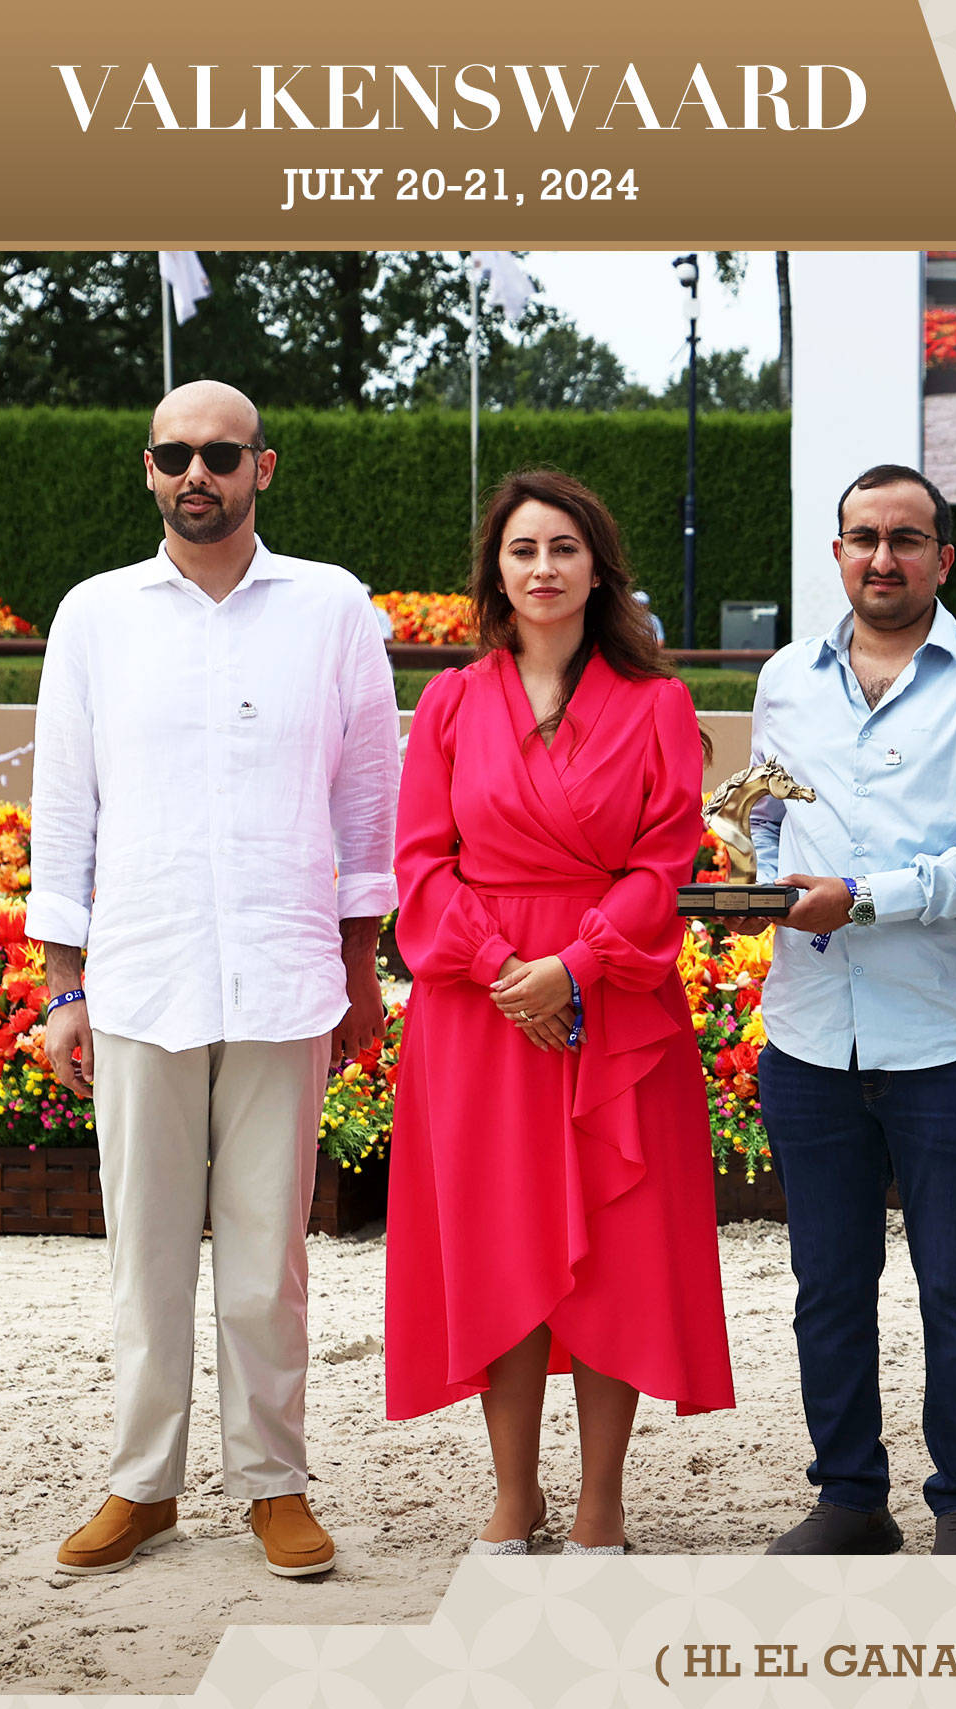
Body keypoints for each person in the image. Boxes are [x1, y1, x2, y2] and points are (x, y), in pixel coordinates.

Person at [32, 380, 398, 1581]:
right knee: (142, 1250)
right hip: (141, 972)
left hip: (285, 970)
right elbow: (65, 806)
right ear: (148, 467)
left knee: (267, 1251)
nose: (200, 472)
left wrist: (360, 962)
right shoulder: (96, 614)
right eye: (177, 453)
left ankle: (272, 1480)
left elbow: (368, 801)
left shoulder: (332, 607)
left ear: (262, 468)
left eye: (223, 454)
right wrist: (64, 986)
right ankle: (143, 1484)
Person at [386, 468, 734, 1554]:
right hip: (480, 1008)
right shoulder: (450, 703)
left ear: (598, 569)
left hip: (614, 1001)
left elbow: (664, 861)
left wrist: (574, 969)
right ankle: (513, 1491)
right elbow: (419, 863)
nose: (543, 568)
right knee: (502, 1241)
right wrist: (506, 968)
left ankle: (601, 1500)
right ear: (497, 571)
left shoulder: (658, 703)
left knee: (617, 1251)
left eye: (564, 548)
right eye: (523, 549)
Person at [747, 463, 956, 1556]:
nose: (883, 557)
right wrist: (762, 888)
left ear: (943, 559)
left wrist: (863, 898)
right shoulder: (786, 678)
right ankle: (850, 1498)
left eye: (906, 539)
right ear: (838, 553)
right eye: (864, 538)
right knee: (827, 1284)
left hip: (946, 1040)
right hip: (809, 1033)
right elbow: (766, 812)